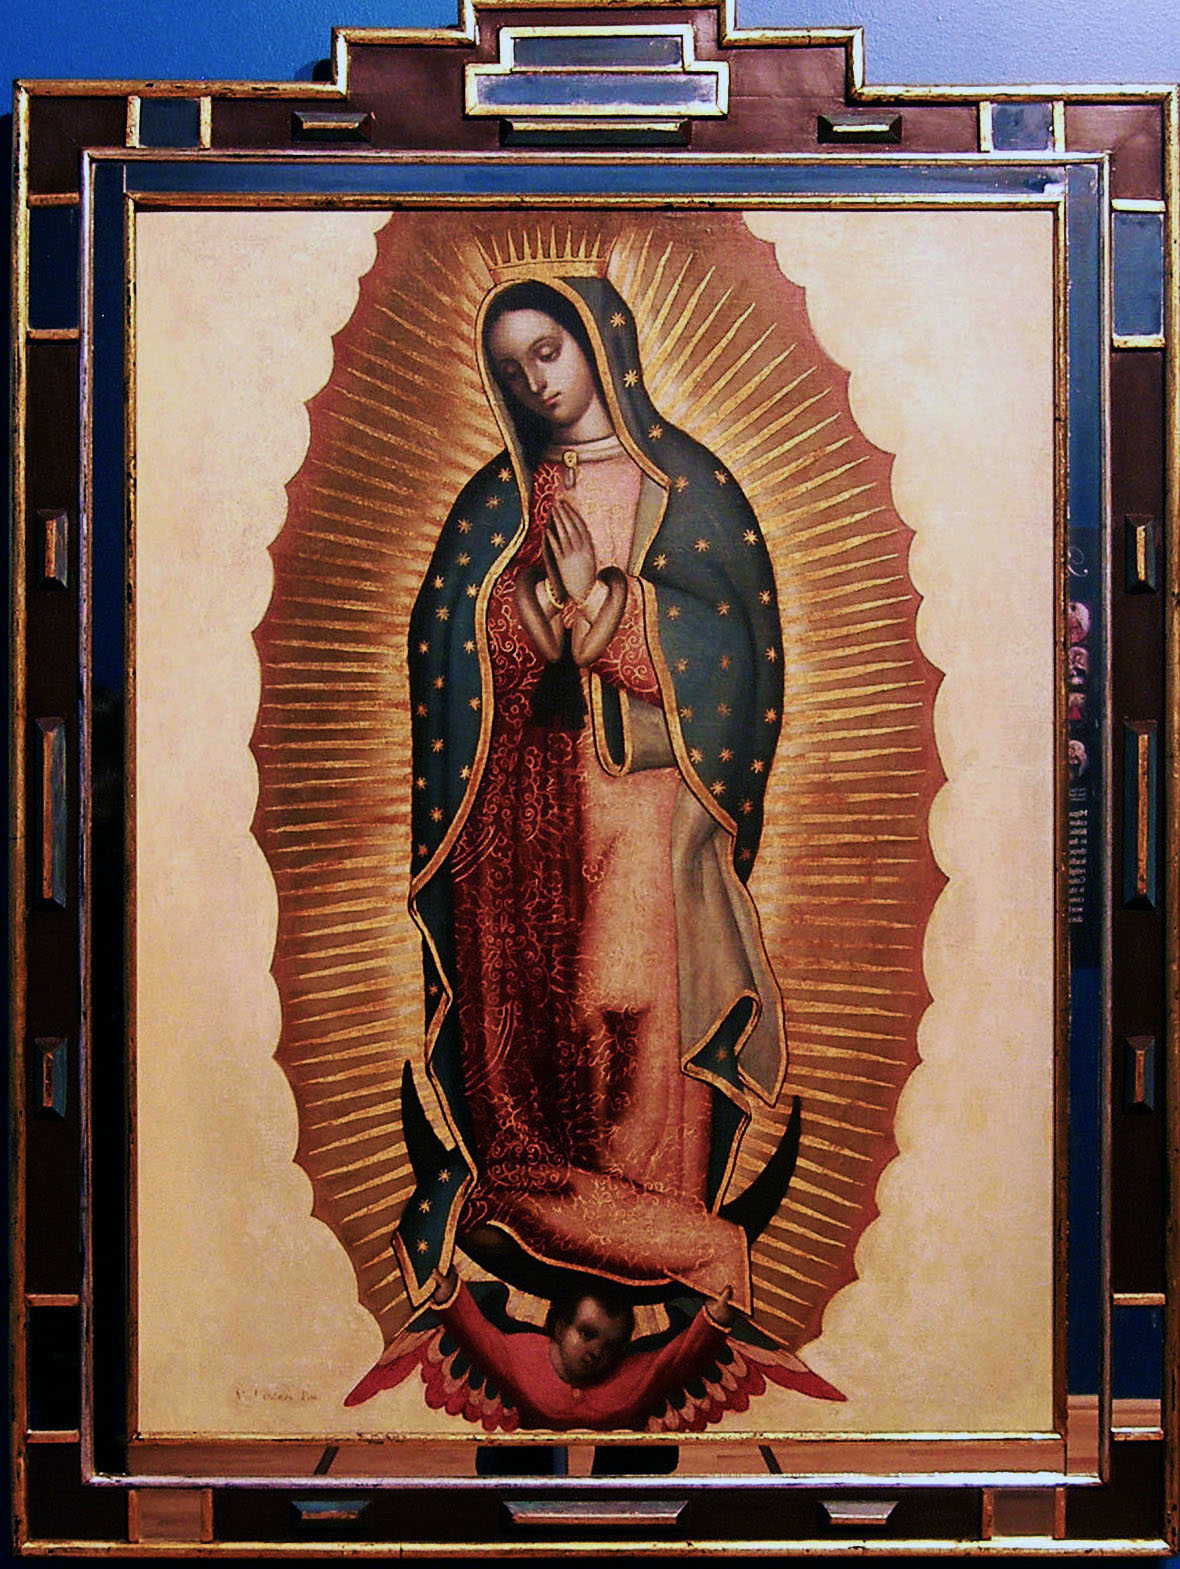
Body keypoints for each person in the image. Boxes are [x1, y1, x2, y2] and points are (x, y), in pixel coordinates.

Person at [397, 257, 788, 1321]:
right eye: (512, 368)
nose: (537, 382)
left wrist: (608, 606)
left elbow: (736, 656)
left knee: (628, 1012)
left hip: (643, 803)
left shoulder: (689, 487)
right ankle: (575, 1230)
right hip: (523, 812)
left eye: (548, 351)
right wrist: (527, 618)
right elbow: (445, 644)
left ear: (599, 344)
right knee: (537, 1017)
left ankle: (662, 1233)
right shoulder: (499, 498)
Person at [426, 1265, 736, 1431]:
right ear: (561, 1327)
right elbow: (477, 1336)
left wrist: (714, 1319)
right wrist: (451, 1295)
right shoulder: (521, 1354)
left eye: (611, 1345)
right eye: (587, 1334)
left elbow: (680, 1358)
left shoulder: (634, 1379)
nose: (596, 1351)